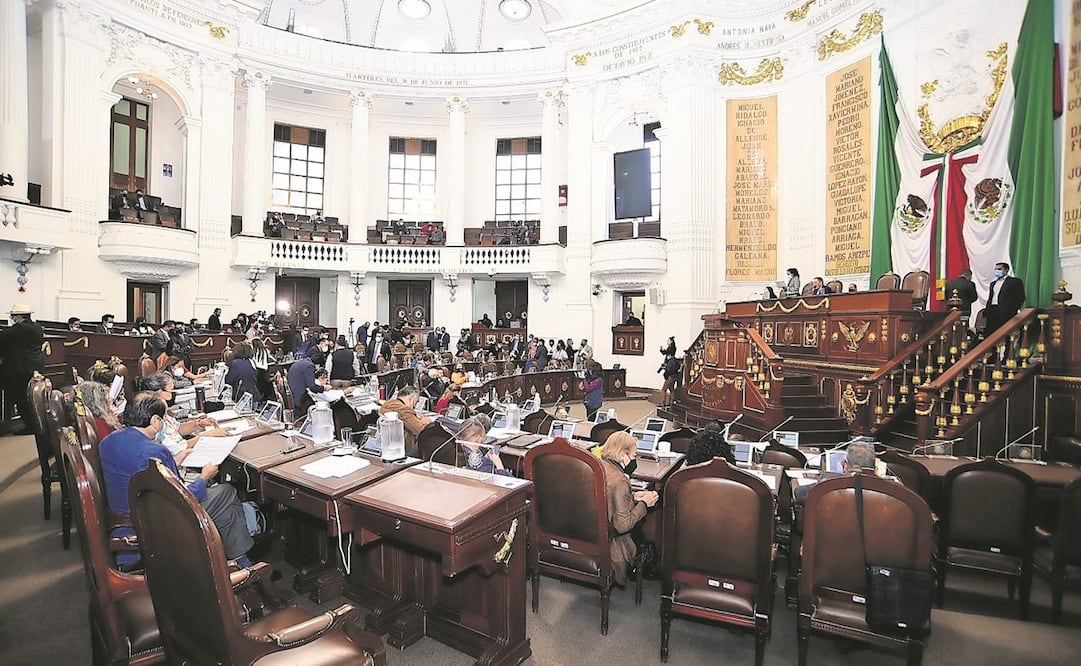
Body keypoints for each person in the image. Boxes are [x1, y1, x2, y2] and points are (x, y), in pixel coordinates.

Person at [99, 394, 255, 565]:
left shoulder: (107, 441)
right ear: (155, 420)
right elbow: (181, 497)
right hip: (156, 523)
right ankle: (239, 561)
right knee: (226, 492)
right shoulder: (155, 451)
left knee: (225, 509)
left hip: (124, 517)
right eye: (164, 418)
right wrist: (204, 477)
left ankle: (233, 560)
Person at [598, 432, 659, 586]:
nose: (634, 460)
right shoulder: (620, 481)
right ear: (623, 455)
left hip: (590, 532)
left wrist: (633, 497)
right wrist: (644, 504)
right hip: (612, 544)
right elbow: (622, 525)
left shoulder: (598, 466)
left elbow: (606, 498)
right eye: (633, 455)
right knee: (645, 535)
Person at [0, 304, 46, 429]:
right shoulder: (37, 327)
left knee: (21, 398)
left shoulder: (17, 330)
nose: (13, 319)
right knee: (32, 398)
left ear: (19, 316)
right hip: (35, 367)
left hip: (19, 369)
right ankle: (35, 424)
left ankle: (28, 426)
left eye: (13, 317)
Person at [379, 386, 433, 457]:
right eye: (416, 402)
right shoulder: (403, 410)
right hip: (403, 450)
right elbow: (420, 430)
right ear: (411, 398)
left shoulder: (388, 404)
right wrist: (425, 421)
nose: (414, 407)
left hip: (387, 446)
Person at [983, 262, 1025, 335]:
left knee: (1004, 333)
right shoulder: (993, 283)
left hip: (1006, 312)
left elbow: (1020, 297)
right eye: (995, 269)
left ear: (1006, 270)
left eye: (999, 269)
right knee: (991, 333)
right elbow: (990, 297)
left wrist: (1012, 309)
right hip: (992, 310)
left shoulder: (1014, 282)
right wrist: (987, 310)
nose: (996, 271)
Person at [287, 348, 325, 413]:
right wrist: (324, 388)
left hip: (294, 393)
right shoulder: (309, 366)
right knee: (321, 404)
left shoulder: (302, 362)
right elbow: (312, 386)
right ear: (317, 364)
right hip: (299, 398)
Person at [226, 341, 262, 406]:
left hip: (241, 398)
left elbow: (229, 381)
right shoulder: (252, 362)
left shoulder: (235, 363)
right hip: (254, 396)